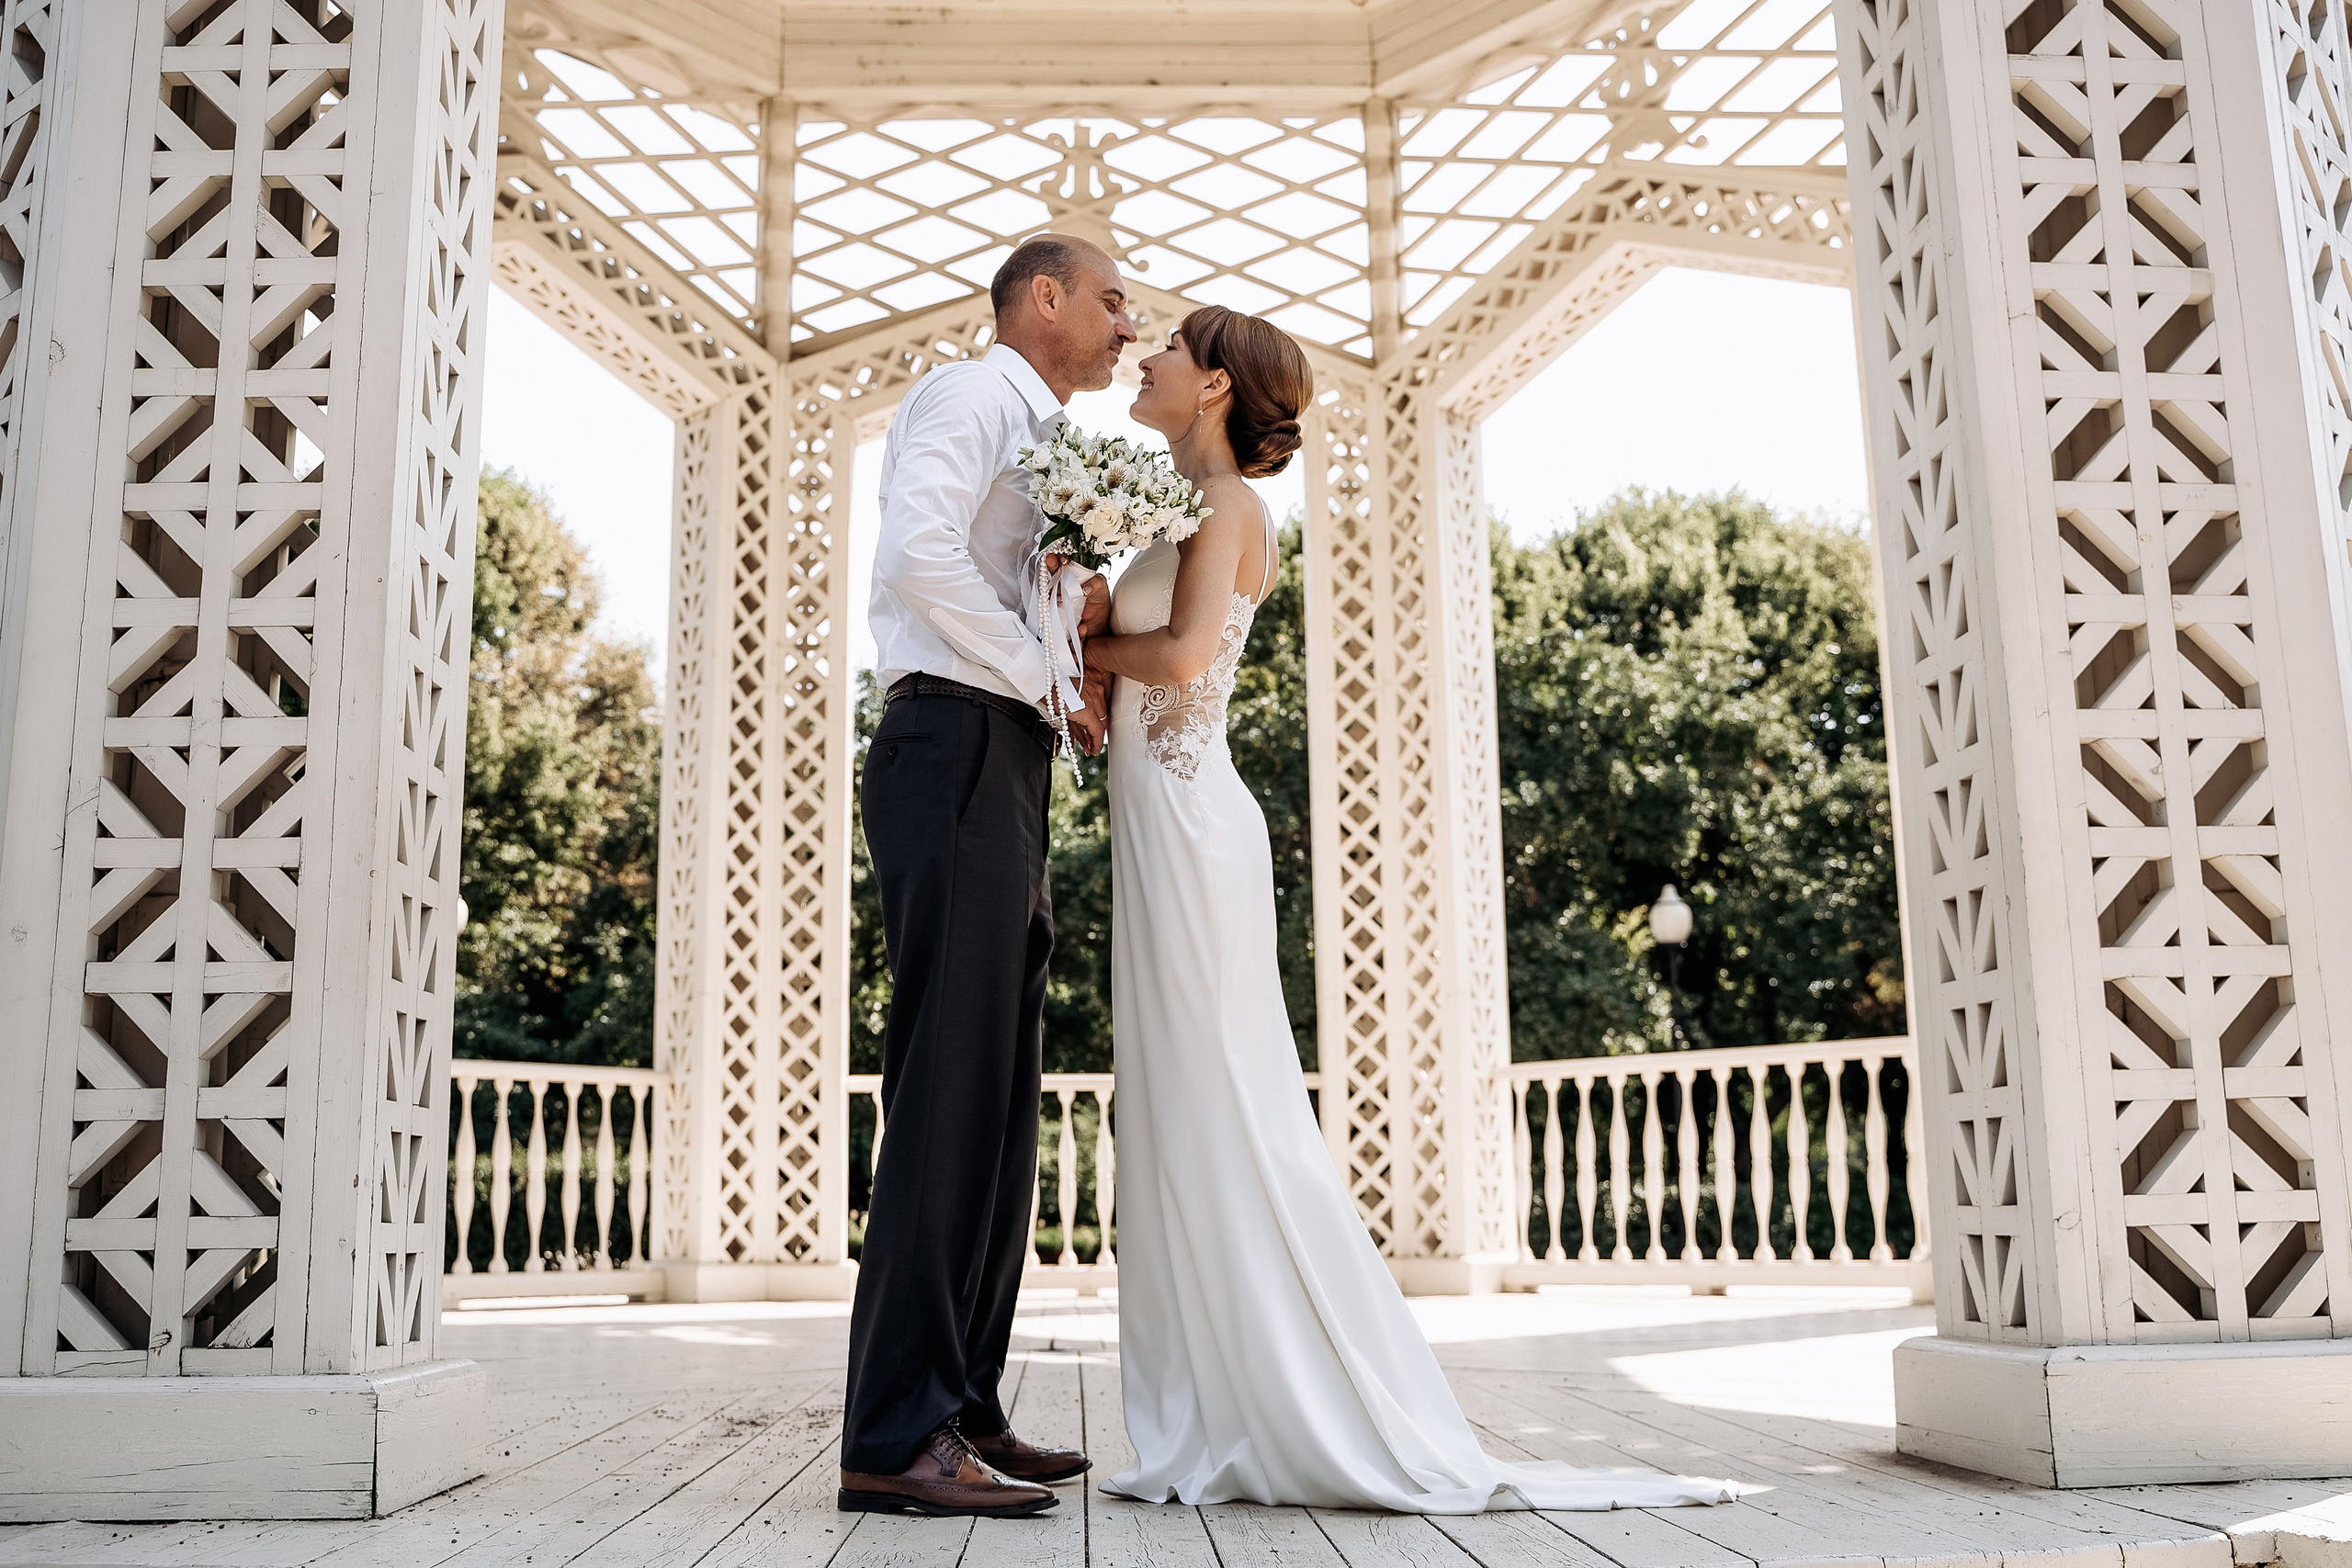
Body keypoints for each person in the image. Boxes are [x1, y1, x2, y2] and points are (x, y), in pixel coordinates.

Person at [1080, 305, 1736, 1513]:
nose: (1146, 359)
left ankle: (1298, 1396)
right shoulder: (1175, 511)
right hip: (1150, 821)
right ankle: (1208, 1405)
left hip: (1190, 819)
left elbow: (1177, 662)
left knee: (1231, 1101)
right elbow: (1136, 657)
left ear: (1215, 386)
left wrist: (1076, 649)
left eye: (1168, 347)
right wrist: (1079, 644)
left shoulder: (1232, 510)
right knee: (1176, 1109)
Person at [836, 233, 1126, 1519]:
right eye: (1114, 298)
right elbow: (913, 558)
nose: (1130, 322)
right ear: (1044, 297)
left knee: (1000, 1104)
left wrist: (1065, 622)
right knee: (946, 1096)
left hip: (1003, 752)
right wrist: (1038, 669)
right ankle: (894, 1436)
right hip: (950, 735)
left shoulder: (1049, 437)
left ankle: (963, 1402)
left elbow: (1002, 579)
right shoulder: (968, 396)